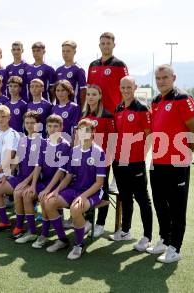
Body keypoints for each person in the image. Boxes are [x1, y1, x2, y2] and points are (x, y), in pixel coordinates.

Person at [147, 64, 194, 263]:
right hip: (157, 162)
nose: (161, 81)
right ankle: (164, 239)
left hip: (177, 164)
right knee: (161, 204)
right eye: (158, 78)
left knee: (177, 208)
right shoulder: (155, 101)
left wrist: (186, 155)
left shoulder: (182, 98)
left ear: (174, 77)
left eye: (165, 77)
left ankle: (175, 248)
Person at [43, 119, 107, 260]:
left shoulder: (98, 152)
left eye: (87, 131)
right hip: (74, 189)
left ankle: (79, 244)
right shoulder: (74, 151)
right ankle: (62, 240)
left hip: (93, 192)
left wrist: (83, 196)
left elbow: (99, 182)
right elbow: (68, 177)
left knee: (76, 209)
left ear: (93, 132)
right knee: (49, 202)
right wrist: (56, 191)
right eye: (80, 130)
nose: (83, 133)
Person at [110, 76, 154, 252]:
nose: (126, 90)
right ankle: (126, 231)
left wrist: (141, 157)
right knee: (125, 197)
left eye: (129, 87)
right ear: (119, 88)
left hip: (135, 163)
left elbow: (149, 135)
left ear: (135, 87)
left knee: (143, 199)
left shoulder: (142, 108)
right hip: (119, 162)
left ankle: (147, 237)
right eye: (123, 87)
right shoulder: (118, 108)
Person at [0, 111, 42, 240]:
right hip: (21, 177)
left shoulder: (41, 142)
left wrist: (26, 182)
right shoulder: (22, 140)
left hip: (36, 180)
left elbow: (38, 167)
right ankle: (5, 221)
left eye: (32, 123)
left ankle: (20, 227)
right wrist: (7, 175)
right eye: (27, 123)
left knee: (18, 193)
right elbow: (16, 160)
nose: (29, 126)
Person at [87, 32, 128, 194]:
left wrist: (123, 108)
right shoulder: (93, 65)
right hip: (97, 114)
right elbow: (89, 88)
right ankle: (94, 177)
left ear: (113, 45)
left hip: (114, 113)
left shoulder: (119, 65)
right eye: (102, 43)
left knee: (116, 145)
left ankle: (116, 179)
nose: (105, 46)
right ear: (99, 45)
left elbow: (126, 87)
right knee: (97, 146)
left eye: (108, 43)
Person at [81, 84, 115, 237]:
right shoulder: (83, 116)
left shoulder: (107, 116)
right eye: (88, 94)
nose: (90, 97)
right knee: (87, 188)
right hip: (85, 159)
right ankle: (88, 221)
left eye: (94, 94)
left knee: (103, 190)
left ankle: (100, 223)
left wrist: (107, 159)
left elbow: (113, 140)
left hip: (102, 160)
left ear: (100, 96)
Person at [31, 114, 71, 248]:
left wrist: (48, 190)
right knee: (25, 193)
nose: (52, 129)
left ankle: (47, 234)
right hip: (45, 181)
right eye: (49, 126)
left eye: (55, 126)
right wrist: (32, 185)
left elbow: (61, 171)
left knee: (44, 199)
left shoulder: (65, 146)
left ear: (61, 127)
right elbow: (38, 165)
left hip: (59, 184)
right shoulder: (44, 143)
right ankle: (30, 231)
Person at [55, 41, 87, 106]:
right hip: (60, 108)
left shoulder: (79, 70)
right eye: (63, 51)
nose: (65, 53)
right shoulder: (58, 70)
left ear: (74, 52)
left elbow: (83, 91)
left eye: (68, 51)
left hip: (73, 108)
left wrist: (82, 110)